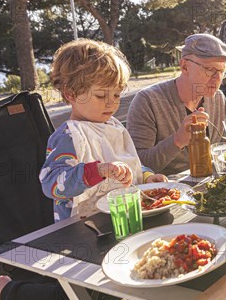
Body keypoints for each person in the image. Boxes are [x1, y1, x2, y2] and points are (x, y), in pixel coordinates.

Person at [40, 39, 167, 221]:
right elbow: (51, 183)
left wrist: (146, 176)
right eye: (101, 95)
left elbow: (129, 161)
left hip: (125, 217)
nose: (112, 102)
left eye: (116, 94)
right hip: (84, 227)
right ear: (71, 93)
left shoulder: (113, 125)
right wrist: (97, 171)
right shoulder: (69, 136)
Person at [126, 34, 226, 176]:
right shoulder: (148, 100)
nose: (217, 79)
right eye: (210, 69)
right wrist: (177, 140)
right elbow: (138, 164)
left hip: (209, 182)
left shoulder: (218, 99)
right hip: (169, 190)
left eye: (222, 71)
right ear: (184, 66)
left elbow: (219, 145)